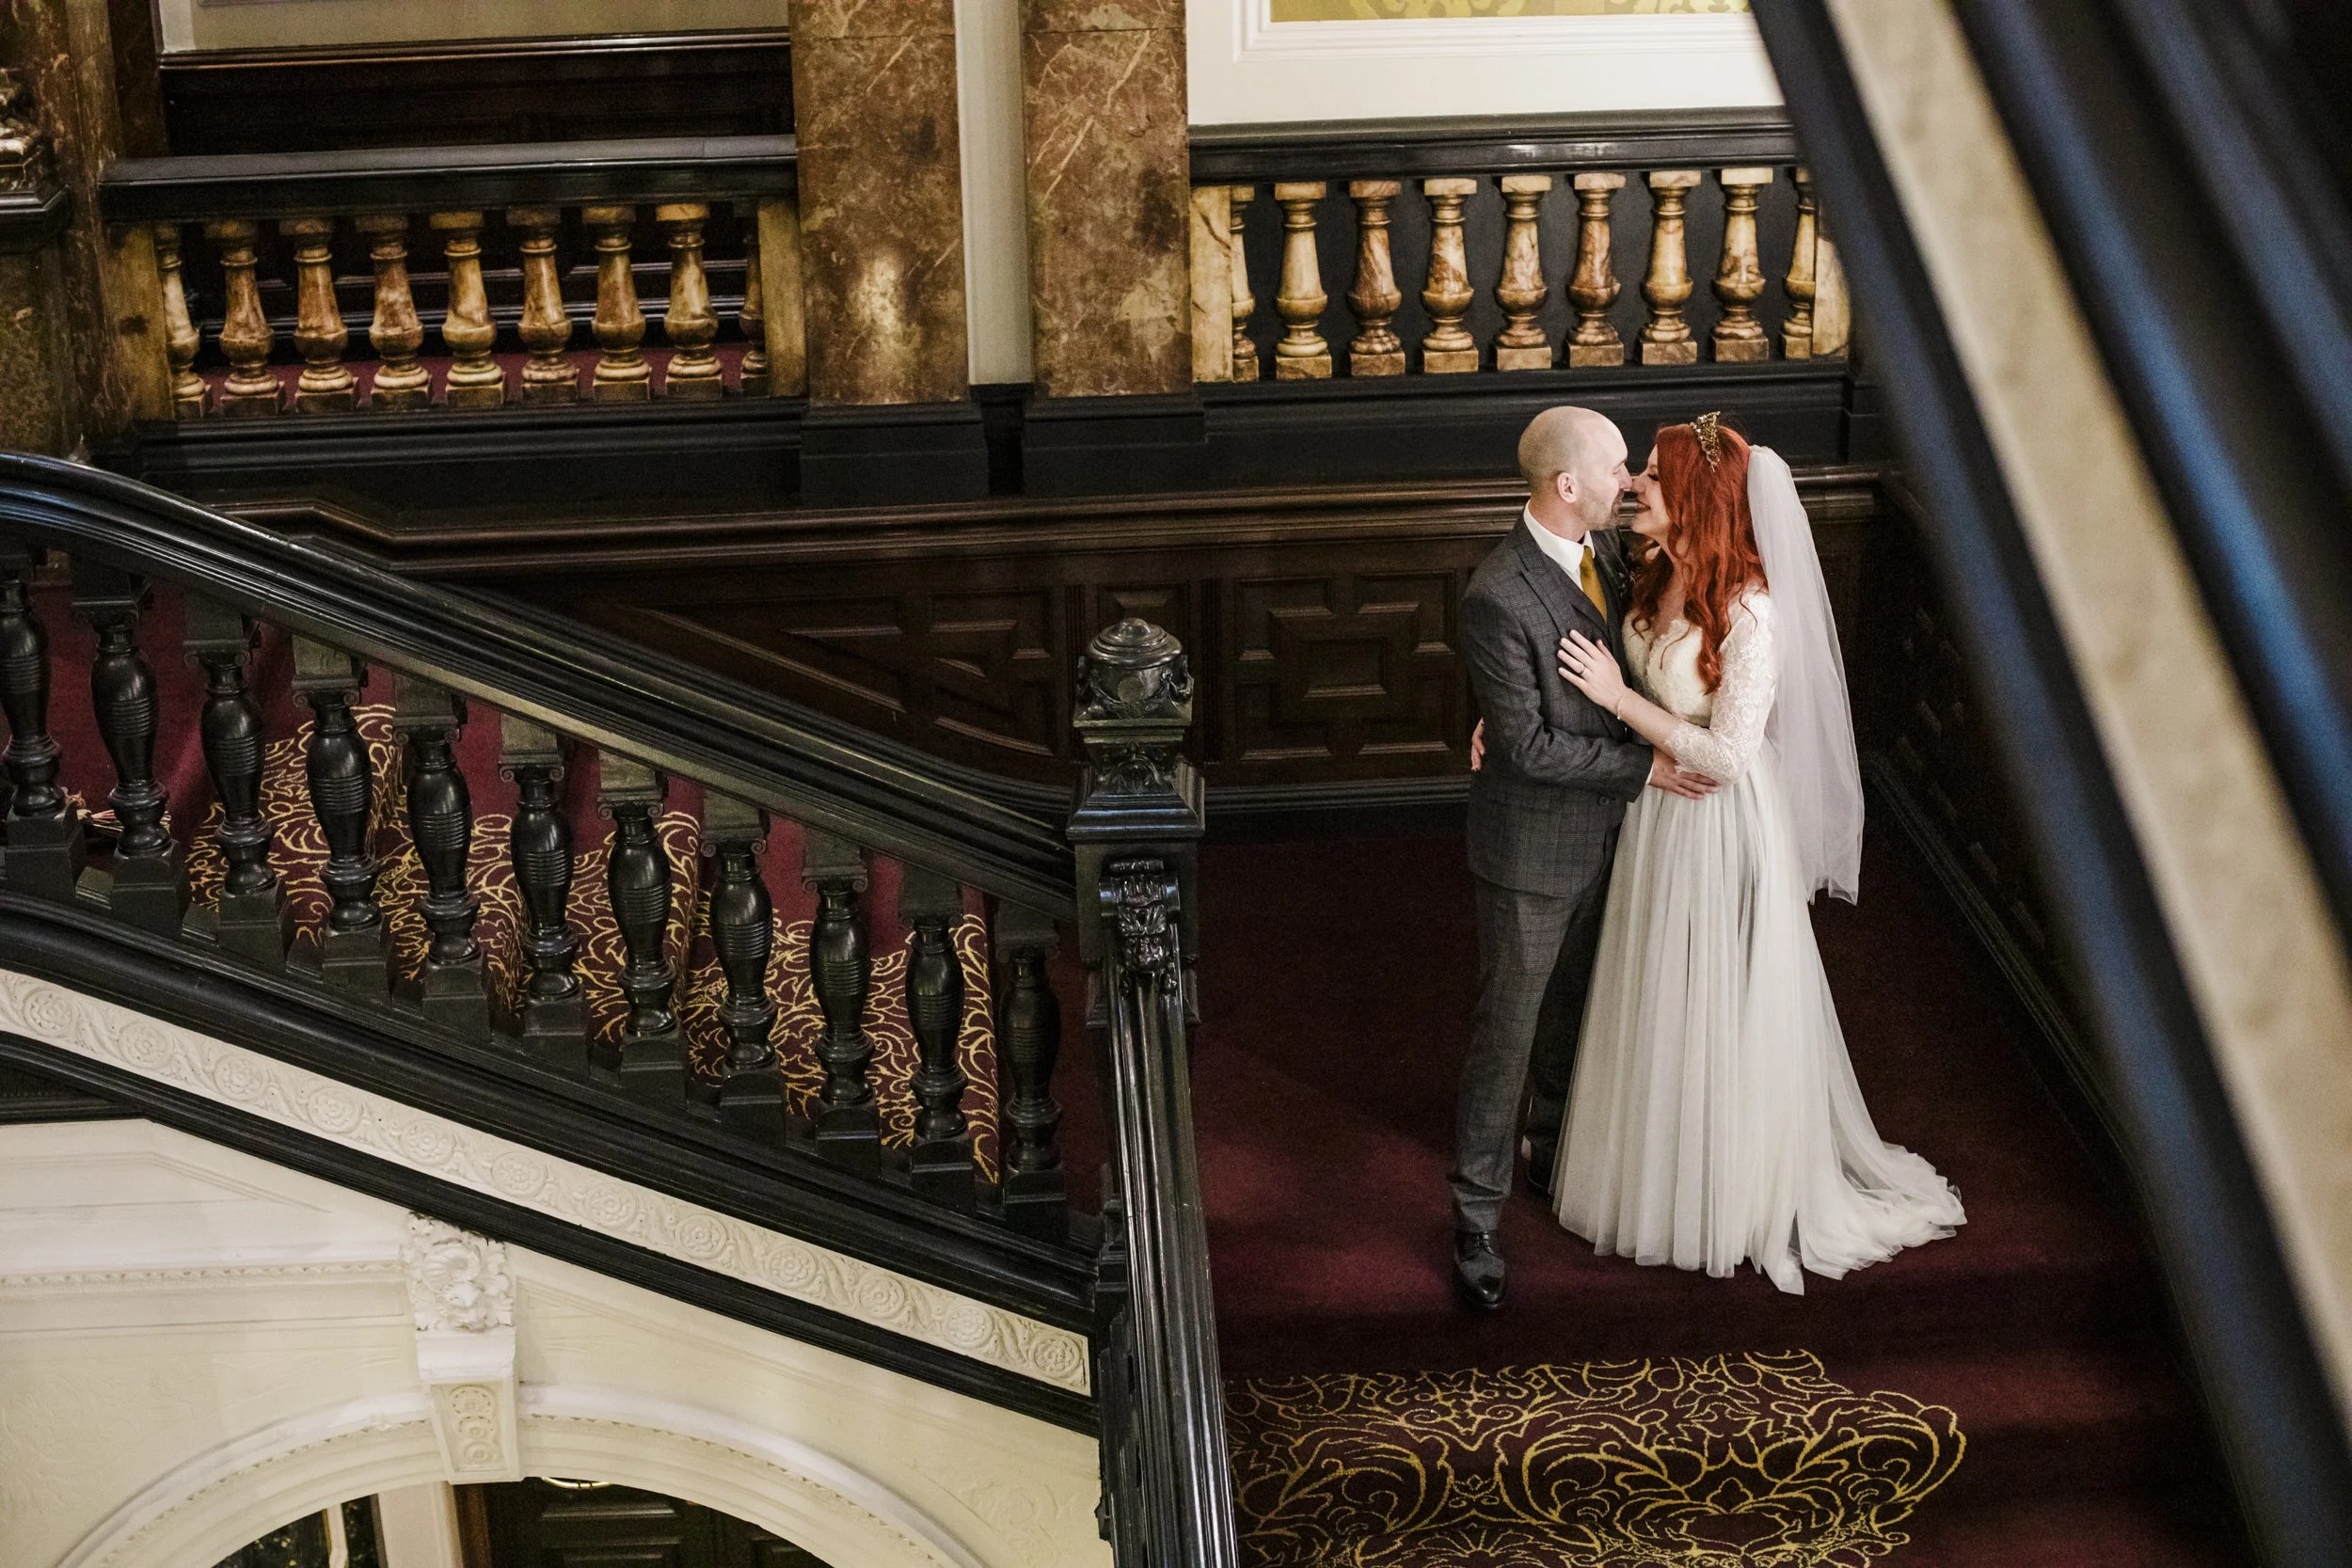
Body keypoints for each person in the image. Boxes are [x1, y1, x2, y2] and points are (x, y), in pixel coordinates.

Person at [1547, 414, 1964, 1292]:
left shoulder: (1751, 613)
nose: (1635, 488)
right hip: (1659, 818)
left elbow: (1730, 758)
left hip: (1721, 826)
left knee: (1720, 997)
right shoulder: (1650, 571)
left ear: (1696, 498)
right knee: (1659, 989)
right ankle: (1655, 1172)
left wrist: (1625, 705)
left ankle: (1727, 1192)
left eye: (1653, 478)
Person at [1449, 406, 1720, 1310]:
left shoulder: (1614, 555)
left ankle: (1554, 1150)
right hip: (1532, 849)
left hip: (1620, 841)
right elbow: (1526, 749)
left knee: (1578, 1010)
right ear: (1568, 485)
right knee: (1509, 1031)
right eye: (1617, 467)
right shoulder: (1498, 592)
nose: (1633, 481)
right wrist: (1646, 765)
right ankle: (1476, 1214)